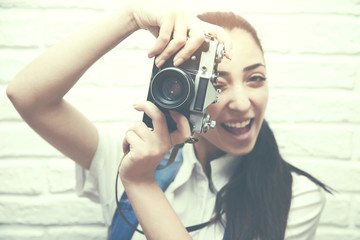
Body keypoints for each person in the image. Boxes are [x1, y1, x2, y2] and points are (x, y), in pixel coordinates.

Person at [6, 0, 331, 239]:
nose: (242, 102)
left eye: (255, 78)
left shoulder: (296, 196)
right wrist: (131, 16)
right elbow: (28, 97)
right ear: (183, 90)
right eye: (217, 84)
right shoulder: (128, 157)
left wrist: (141, 184)